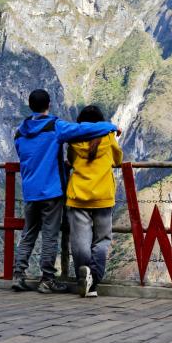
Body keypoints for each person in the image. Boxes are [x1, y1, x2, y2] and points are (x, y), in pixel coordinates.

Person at [12, 89, 118, 294]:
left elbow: (23, 156)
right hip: (51, 191)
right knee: (50, 236)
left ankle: (18, 275)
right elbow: (83, 129)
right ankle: (47, 279)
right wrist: (112, 126)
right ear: (49, 105)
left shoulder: (19, 132)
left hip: (30, 190)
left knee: (28, 233)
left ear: (30, 106)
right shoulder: (55, 127)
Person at [67, 105, 123, 298]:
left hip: (79, 196)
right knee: (101, 240)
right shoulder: (108, 138)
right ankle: (93, 281)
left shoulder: (74, 140)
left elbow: (71, 160)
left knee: (80, 242)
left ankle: (84, 277)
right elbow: (118, 160)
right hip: (103, 197)